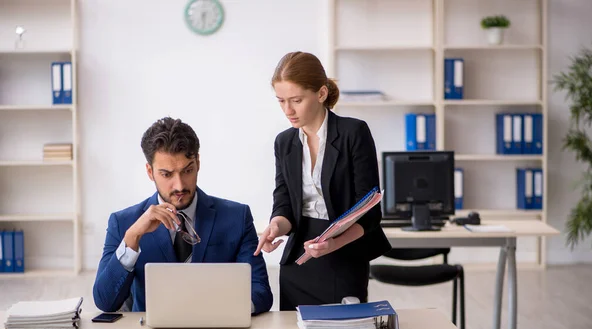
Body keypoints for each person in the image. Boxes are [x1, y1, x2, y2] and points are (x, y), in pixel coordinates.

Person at [93, 117, 273, 315]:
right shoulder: (124, 223)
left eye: (187, 171)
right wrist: (133, 238)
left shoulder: (237, 217)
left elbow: (261, 292)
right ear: (150, 172)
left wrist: (221, 312)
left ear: (197, 162)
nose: (179, 185)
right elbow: (105, 302)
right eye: (167, 174)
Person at [255, 51, 391, 311]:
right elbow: (284, 202)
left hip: (344, 254)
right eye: (281, 101)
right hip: (299, 259)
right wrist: (276, 226)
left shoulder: (354, 133)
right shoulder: (284, 143)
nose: (288, 110)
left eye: (296, 100)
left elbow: (370, 213)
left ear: (321, 94)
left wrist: (333, 243)